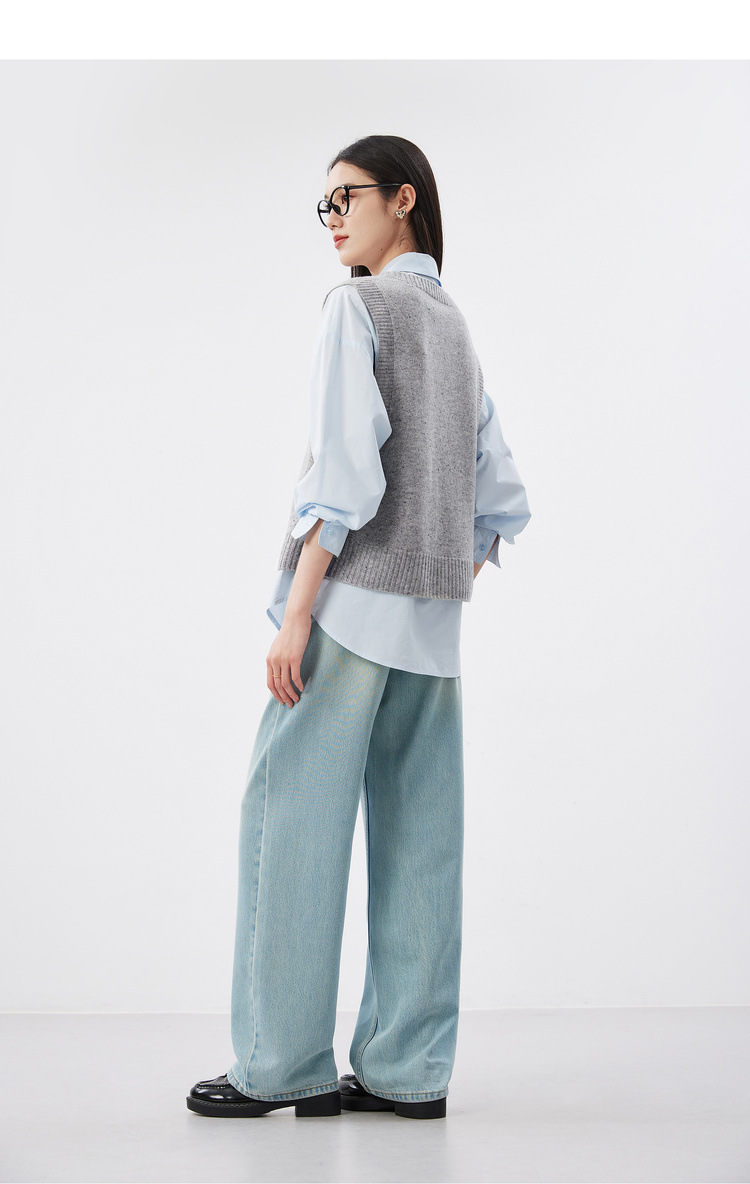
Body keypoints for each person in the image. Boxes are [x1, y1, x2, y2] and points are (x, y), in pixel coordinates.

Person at [187, 134, 531, 1122]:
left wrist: (299, 610)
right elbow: (500, 495)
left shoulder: (358, 308)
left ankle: (279, 1064)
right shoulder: (455, 326)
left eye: (348, 197)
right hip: (433, 630)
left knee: (289, 823)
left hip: (348, 610)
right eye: (325, 205)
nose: (333, 218)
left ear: (404, 199)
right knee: (423, 840)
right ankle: (406, 1072)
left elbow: (341, 475)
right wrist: (442, 571)